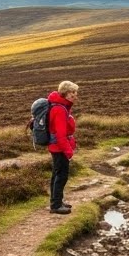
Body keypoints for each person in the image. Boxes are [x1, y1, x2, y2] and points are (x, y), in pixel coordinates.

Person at [47, 80, 78, 214]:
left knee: (57, 174)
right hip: (59, 148)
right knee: (61, 176)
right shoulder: (59, 109)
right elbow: (60, 134)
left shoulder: (60, 106)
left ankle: (57, 201)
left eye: (76, 92)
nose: (75, 95)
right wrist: (68, 151)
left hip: (57, 147)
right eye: (73, 92)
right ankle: (56, 205)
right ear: (66, 93)